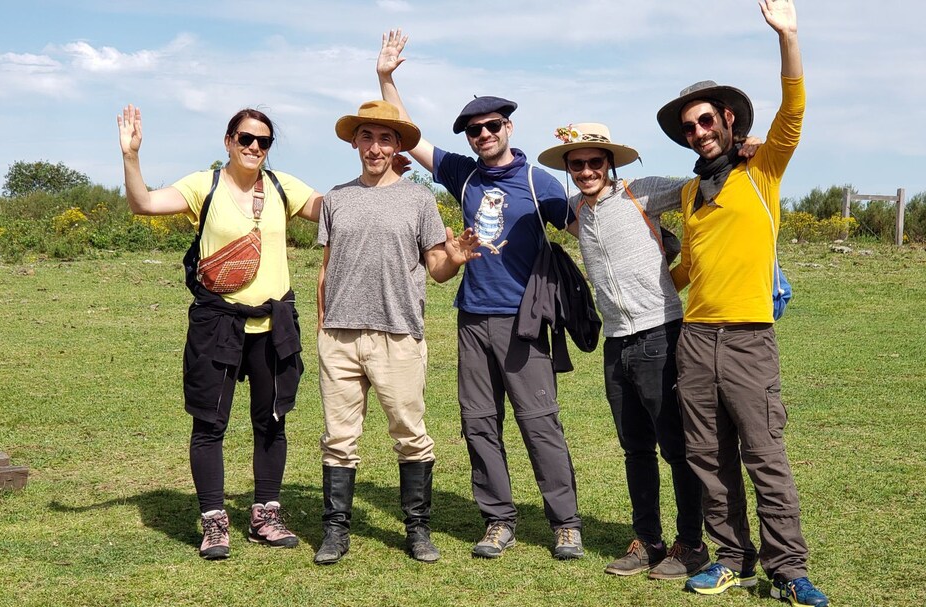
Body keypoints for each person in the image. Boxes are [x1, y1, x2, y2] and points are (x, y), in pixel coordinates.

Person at [376, 31, 585, 560]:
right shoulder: (461, 175)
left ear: (508, 127)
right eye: (474, 130)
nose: (483, 135)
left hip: (525, 321)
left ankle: (565, 523)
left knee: (539, 422)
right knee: (478, 424)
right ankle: (498, 521)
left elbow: (586, 222)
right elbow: (410, 136)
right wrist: (387, 79)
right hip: (472, 318)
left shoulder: (542, 183)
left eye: (491, 126)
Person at [658, 0, 830, 607]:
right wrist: (649, 268)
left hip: (751, 337)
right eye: (689, 128)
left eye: (706, 121)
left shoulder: (762, 173)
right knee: (708, 459)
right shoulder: (687, 191)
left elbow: (794, 112)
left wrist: (788, 36)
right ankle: (732, 559)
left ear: (728, 119)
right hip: (695, 339)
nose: (699, 133)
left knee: (765, 457)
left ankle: (788, 569)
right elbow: (690, 269)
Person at [118, 105, 322, 560]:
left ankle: (265, 515)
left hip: (274, 323)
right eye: (246, 139)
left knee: (272, 420)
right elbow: (143, 203)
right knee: (209, 424)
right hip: (218, 322)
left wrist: (380, 174)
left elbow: (332, 211)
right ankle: (214, 522)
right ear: (228, 141)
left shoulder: (281, 187)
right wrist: (131, 157)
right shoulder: (202, 186)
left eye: (263, 142)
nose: (254, 148)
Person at [535, 124, 709, 579]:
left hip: (661, 334)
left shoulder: (642, 193)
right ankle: (647, 542)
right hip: (616, 342)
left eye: (596, 162)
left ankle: (691, 545)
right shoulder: (576, 209)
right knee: (635, 449)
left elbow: (703, 185)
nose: (587, 170)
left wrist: (744, 151)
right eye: (578, 164)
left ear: (610, 163)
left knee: (676, 448)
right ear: (570, 170)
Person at [312, 100, 479, 565]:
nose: (376, 147)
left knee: (410, 434)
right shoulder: (337, 198)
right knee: (339, 437)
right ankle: (335, 530)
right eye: (367, 136)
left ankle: (418, 529)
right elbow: (324, 270)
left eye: (386, 139)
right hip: (340, 337)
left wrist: (457, 257)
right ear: (354, 142)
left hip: (399, 335)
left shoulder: (418, 199)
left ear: (397, 146)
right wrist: (323, 327)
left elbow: (437, 268)